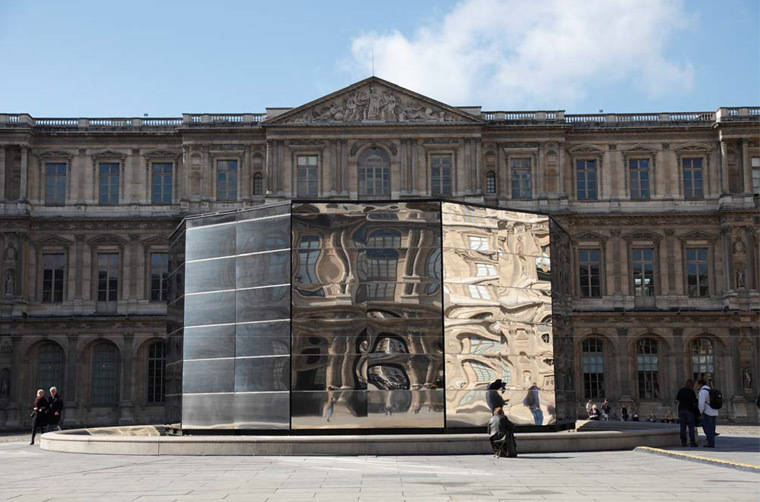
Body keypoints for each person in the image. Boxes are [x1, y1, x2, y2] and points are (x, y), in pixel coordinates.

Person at [697, 379, 718, 448]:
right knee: (712, 429)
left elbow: (701, 403)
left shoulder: (702, 392)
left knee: (707, 429)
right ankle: (712, 442)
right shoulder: (711, 390)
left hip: (707, 412)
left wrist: (701, 412)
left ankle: (710, 443)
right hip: (714, 412)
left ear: (700, 384)